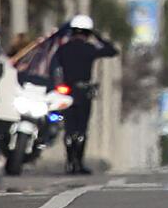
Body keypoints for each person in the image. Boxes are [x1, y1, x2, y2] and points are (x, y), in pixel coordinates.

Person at [49, 15, 119, 175]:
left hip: (65, 92)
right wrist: (98, 36)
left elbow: (53, 66)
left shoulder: (63, 49)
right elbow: (112, 50)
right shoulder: (89, 48)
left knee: (69, 128)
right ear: (88, 33)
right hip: (82, 92)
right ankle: (78, 163)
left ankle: (69, 163)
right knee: (81, 129)